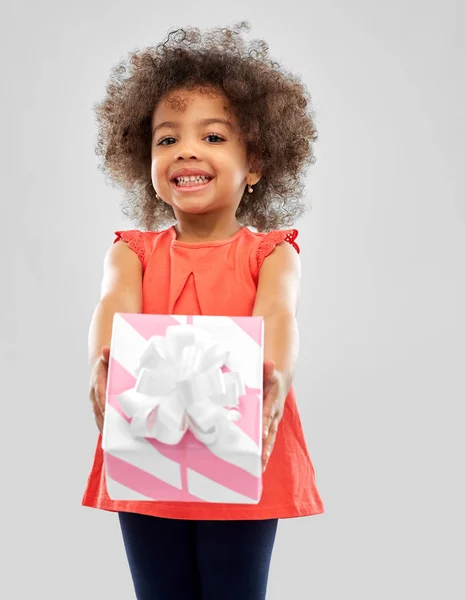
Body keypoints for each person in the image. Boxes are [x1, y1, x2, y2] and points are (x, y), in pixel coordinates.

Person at [82, 21, 324, 600]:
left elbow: (279, 317)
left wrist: (276, 376)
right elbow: (111, 304)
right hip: (148, 448)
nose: (186, 148)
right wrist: (102, 359)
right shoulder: (132, 251)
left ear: (257, 163)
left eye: (213, 136)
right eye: (167, 139)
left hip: (242, 447)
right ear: (145, 162)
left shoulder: (271, 252)